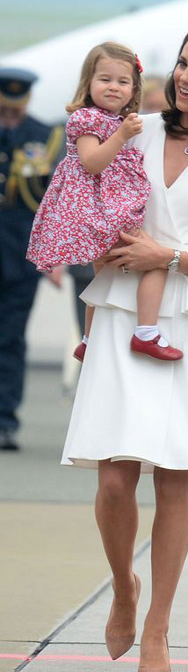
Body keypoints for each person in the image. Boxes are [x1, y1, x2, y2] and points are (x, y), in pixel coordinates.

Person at [60, 23, 188, 672]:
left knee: (174, 478)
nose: (183, 77)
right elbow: (86, 189)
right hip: (122, 310)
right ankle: (124, 585)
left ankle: (158, 625)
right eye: (181, 63)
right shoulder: (140, 129)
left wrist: (170, 255)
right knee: (115, 479)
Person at [26, 42, 182, 363]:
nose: (113, 87)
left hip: (106, 211)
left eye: (123, 82)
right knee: (157, 261)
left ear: (133, 89)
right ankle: (146, 333)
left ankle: (89, 339)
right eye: (105, 79)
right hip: (99, 215)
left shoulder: (114, 121)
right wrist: (122, 136)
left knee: (102, 280)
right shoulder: (87, 119)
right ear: (89, 83)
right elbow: (92, 163)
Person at [0, 67, 62, 451]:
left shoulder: (46, 137)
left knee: (10, 339)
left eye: (16, 110)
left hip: (21, 258)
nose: (11, 117)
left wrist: (54, 253)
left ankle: (4, 420)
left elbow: (55, 201)